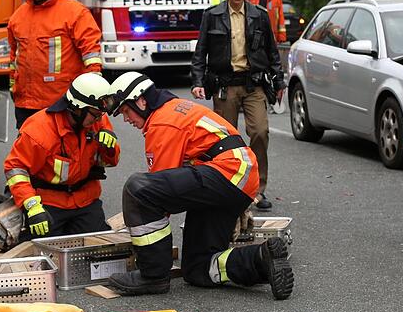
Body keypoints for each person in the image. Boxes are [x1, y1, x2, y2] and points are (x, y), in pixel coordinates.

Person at [105, 72, 294, 299]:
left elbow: (155, 195)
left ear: (141, 101)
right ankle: (261, 260)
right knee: (197, 268)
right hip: (237, 178)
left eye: (126, 111)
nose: (126, 119)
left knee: (138, 189)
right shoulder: (176, 109)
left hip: (228, 174)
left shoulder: (163, 122)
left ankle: (152, 275)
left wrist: (134, 222)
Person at [191, 0, 286, 211]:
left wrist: (279, 82)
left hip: (253, 84)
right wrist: (197, 81)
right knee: (226, 140)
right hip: (225, 86)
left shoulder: (259, 15)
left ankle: (257, 189)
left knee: (260, 132)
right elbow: (201, 52)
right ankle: (228, 188)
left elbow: (272, 52)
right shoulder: (212, 15)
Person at [3, 73, 120, 240]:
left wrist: (110, 150)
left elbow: (110, 162)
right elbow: (15, 168)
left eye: (101, 114)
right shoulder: (39, 130)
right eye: (95, 114)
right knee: (43, 252)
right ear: (77, 108)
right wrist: (32, 206)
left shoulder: (97, 120)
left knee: (96, 250)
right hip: (49, 203)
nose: (99, 119)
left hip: (85, 200)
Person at [7, 0, 103, 129]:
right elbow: (14, 57)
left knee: (62, 152)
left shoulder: (74, 13)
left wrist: (93, 85)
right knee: (29, 152)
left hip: (60, 102)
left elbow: (91, 52)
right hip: (25, 104)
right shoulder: (18, 17)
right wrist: (13, 87)